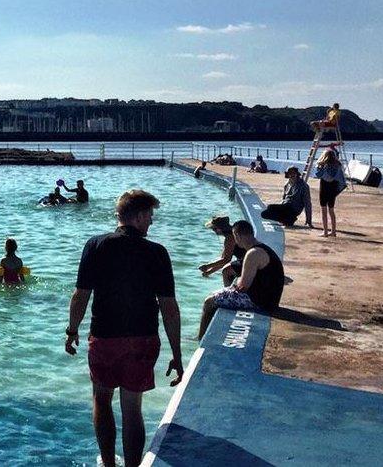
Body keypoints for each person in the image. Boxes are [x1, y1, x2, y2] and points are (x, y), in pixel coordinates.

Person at [65, 190, 182, 467]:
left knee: (101, 401)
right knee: (132, 410)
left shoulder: (95, 246)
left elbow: (80, 296)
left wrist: (72, 331)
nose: (152, 222)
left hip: (104, 338)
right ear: (139, 216)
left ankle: (107, 464)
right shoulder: (157, 252)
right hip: (142, 340)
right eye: (150, 216)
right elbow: (169, 308)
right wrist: (177, 354)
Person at [198, 220, 285, 339]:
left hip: (260, 302)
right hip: (270, 300)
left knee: (209, 301)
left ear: (237, 235)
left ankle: (201, 337)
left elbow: (242, 287)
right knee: (222, 293)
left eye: (235, 237)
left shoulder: (252, 253)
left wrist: (237, 281)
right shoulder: (262, 248)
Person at [198, 216, 246, 287]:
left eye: (214, 229)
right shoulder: (229, 236)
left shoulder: (230, 238)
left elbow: (226, 260)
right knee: (229, 270)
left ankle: (227, 294)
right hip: (243, 260)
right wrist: (209, 272)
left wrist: (207, 266)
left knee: (226, 271)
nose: (213, 231)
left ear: (220, 229)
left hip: (248, 260)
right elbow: (223, 260)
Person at [316, 148, 347, 237]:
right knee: (331, 210)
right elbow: (341, 179)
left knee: (323, 211)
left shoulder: (322, 165)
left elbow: (318, 174)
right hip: (333, 189)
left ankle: (325, 231)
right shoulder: (337, 165)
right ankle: (333, 231)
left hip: (324, 188)